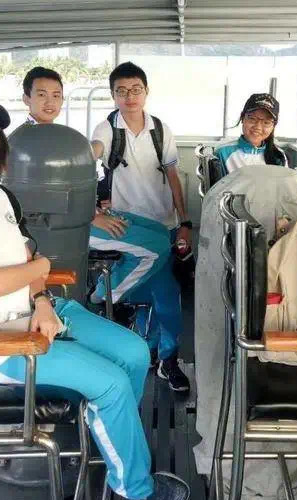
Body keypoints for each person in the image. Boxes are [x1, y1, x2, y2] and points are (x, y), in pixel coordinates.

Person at [0, 87, 190, 500]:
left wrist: (41, 299)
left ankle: (108, 432)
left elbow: (27, 259)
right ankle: (134, 483)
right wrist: (38, 268)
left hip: (37, 311)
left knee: (132, 352)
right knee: (111, 383)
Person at [19, 66, 172, 313]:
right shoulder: (24, 143)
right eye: (41, 94)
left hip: (77, 217)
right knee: (156, 248)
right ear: (26, 98)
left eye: (56, 95)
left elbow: (70, 184)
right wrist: (91, 216)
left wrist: (95, 208)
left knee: (160, 231)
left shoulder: (56, 137)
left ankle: (109, 289)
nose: (50, 102)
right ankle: (100, 297)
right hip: (56, 231)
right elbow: (35, 201)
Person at [90, 61, 190, 392]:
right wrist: (84, 155)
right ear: (113, 95)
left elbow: (173, 177)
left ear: (146, 92)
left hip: (163, 223)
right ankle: (151, 347)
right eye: (121, 91)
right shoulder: (108, 129)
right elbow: (95, 151)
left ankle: (162, 356)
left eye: (135, 90)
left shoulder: (161, 129)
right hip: (128, 224)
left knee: (167, 295)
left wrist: (185, 223)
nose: (129, 97)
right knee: (159, 292)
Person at [214, 93, 287, 175]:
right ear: (242, 118)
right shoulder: (222, 153)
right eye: (252, 118)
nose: (258, 127)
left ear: (273, 126)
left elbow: (284, 183)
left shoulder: (279, 155)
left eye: (266, 122)